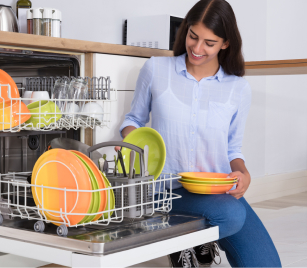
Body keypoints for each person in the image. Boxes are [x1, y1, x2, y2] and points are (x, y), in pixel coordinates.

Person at [119, 0, 281, 267]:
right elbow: (133, 120)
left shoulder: (238, 88)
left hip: (214, 192)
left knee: (267, 264)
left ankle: (191, 236)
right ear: (186, 30)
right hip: (164, 190)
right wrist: (131, 141)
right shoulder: (156, 69)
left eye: (209, 42)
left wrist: (243, 173)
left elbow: (233, 150)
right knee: (230, 216)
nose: (197, 48)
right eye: (193, 37)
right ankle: (189, 239)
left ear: (225, 43)